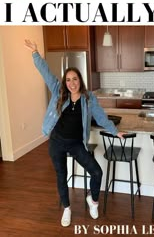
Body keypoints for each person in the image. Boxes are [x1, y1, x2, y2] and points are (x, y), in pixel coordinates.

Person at [24, 39, 125, 227]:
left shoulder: (88, 98)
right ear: (65, 82)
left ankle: (92, 201)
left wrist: (114, 131)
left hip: (76, 144)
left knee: (96, 172)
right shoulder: (58, 91)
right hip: (56, 142)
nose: (72, 83)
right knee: (61, 175)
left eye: (75, 79)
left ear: (80, 80)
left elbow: (101, 117)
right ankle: (67, 209)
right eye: (68, 80)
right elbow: (45, 72)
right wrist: (35, 53)